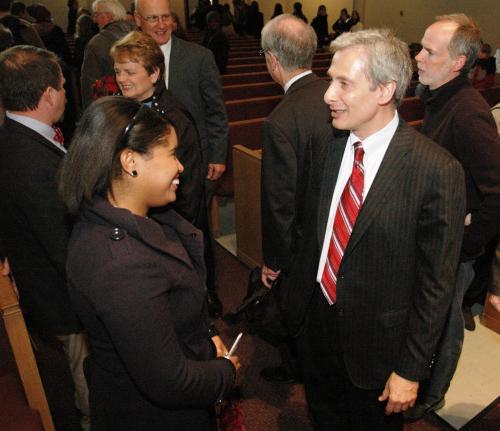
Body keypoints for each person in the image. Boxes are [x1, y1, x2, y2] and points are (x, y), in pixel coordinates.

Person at [287, 28, 465, 430]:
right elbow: (312, 232)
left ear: (384, 91)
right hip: (317, 331)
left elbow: (436, 285)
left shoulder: (436, 171)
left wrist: (411, 369)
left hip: (379, 351)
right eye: (330, 79)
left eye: (343, 83)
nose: (328, 94)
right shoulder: (328, 145)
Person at [58, 96, 239, 430]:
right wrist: (227, 373)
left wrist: (206, 333)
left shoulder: (131, 214)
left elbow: (167, 310)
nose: (181, 166)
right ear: (131, 162)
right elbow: (169, 381)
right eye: (171, 153)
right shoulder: (122, 265)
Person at [404, 14, 500, 420]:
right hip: (438, 237)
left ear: (458, 63)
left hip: (454, 247)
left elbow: (497, 192)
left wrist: (466, 245)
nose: (418, 57)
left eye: (429, 51)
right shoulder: (440, 98)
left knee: (445, 324)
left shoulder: (467, 112)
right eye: (420, 47)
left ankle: (432, 394)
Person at [0, 45, 90, 431]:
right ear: (49, 94)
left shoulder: (14, 137)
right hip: (61, 300)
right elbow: (62, 245)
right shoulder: (32, 162)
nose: (67, 93)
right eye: (63, 86)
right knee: (87, 389)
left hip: (38, 282)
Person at [135, 0, 228, 317]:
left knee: (196, 228)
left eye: (165, 17)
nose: (160, 24)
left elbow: (216, 111)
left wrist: (217, 154)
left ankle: (207, 292)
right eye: (152, 18)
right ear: (138, 20)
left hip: (194, 162)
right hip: (148, 168)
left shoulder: (199, 57)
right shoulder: (130, 59)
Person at [259, 14, 333, 384]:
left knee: (296, 313)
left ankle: (300, 369)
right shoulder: (337, 95)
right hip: (334, 231)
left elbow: (279, 204)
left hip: (303, 243)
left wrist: (273, 261)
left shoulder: (281, 119)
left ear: (272, 60)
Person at [110, 30, 205, 229]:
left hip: (166, 221)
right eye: (118, 71)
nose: (121, 79)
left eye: (130, 72)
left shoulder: (174, 117)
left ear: (154, 73)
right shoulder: (119, 108)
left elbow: (188, 186)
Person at [81, 0, 135, 108]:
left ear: (109, 16)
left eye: (97, 15)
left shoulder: (96, 43)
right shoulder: (138, 35)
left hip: (111, 108)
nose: (94, 20)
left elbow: (90, 85)